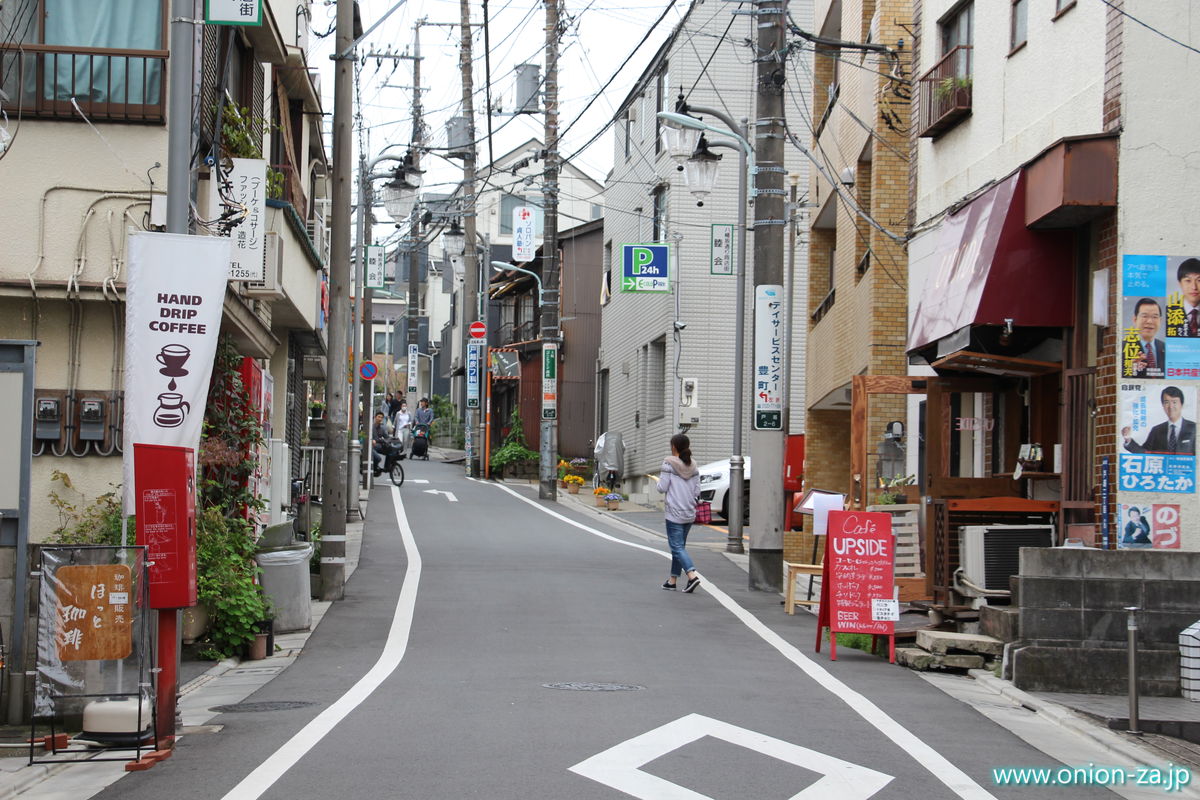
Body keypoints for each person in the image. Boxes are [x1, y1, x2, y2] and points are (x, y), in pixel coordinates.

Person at [657, 433, 702, 593]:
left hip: (674, 512)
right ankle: (672, 580)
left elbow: (662, 487)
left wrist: (658, 481)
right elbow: (697, 491)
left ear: (673, 446)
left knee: (676, 547)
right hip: (689, 512)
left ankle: (692, 575)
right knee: (679, 547)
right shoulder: (694, 465)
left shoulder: (668, 463)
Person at [1123, 385, 1196, 454]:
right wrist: (1128, 439)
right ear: (1163, 405)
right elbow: (1145, 453)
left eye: (1174, 402)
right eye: (1166, 402)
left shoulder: (1195, 428)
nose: (1170, 406)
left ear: (1181, 404)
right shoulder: (1156, 430)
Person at [1124, 298, 1166, 378]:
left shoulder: (1165, 348)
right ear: (1135, 319)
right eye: (1145, 316)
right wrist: (1130, 369)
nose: (1150, 321)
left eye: (1155, 317)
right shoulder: (1124, 347)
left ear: (1160, 321)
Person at [1176, 258, 1200, 337]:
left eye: (1199, 280)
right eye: (1188, 280)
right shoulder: (1169, 312)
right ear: (1180, 283)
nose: (1194, 287)